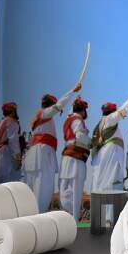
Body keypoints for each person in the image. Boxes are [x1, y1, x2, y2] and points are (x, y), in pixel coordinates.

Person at [23, 83, 81, 213]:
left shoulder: (42, 118)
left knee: (36, 190)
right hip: (42, 156)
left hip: (35, 156)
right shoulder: (44, 114)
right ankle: (38, 218)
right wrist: (73, 91)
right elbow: (59, 105)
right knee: (43, 190)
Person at [91, 84, 128, 220]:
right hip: (111, 154)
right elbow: (126, 106)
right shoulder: (110, 120)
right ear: (112, 111)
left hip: (103, 155)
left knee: (104, 184)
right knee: (112, 184)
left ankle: (102, 218)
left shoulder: (101, 123)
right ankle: (109, 219)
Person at [59, 97, 91, 222]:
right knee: (75, 191)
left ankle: (75, 215)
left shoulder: (69, 119)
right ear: (83, 111)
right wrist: (91, 142)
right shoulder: (78, 119)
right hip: (75, 157)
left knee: (66, 191)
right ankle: (77, 213)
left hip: (69, 157)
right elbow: (80, 136)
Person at [0, 102, 22, 183]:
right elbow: (13, 141)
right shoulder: (12, 122)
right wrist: (18, 158)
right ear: (14, 112)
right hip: (5, 154)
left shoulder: (1, 121)